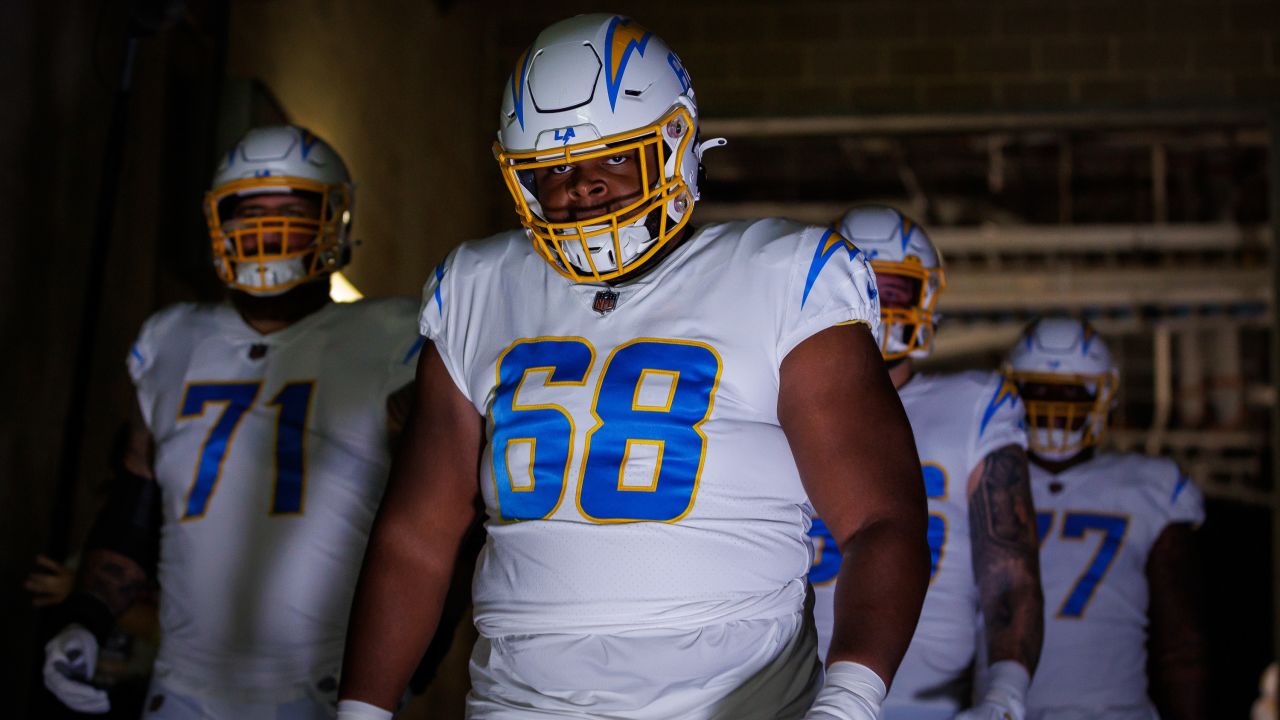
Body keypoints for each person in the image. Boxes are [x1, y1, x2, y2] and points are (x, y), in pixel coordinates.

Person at [337, 13, 930, 720]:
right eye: (552, 168)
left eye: (613, 158)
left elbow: (881, 519)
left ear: (676, 141)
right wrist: (362, 711)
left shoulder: (783, 277)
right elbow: (417, 536)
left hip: (737, 701)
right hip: (520, 702)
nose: (580, 187)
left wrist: (849, 702)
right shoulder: (477, 287)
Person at [41, 125, 424, 719]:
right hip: (182, 688)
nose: (269, 227)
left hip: (323, 685)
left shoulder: (394, 340)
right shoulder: (170, 341)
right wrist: (88, 619)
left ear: (335, 219)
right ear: (220, 222)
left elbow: (444, 517)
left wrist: (408, 667)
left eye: (293, 208)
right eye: (250, 209)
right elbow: (134, 508)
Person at [808, 205, 1043, 720]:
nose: (880, 309)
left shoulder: (976, 404)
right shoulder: (776, 401)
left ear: (926, 297)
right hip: (787, 691)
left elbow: (1009, 570)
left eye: (893, 292)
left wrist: (1003, 695)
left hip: (934, 705)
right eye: (862, 289)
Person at [1003, 317, 1207, 720]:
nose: (1054, 407)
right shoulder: (981, 480)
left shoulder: (1151, 488)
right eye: (1039, 391)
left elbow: (1180, 640)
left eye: (1070, 393)